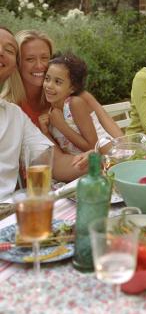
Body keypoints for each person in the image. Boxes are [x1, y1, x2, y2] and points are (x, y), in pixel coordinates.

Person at [0, 27, 86, 200]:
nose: (1, 51)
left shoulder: (14, 116)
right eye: (30, 59)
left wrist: (90, 160)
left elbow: (54, 162)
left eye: (9, 49)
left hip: (9, 214)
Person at [15, 29, 123, 138]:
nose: (39, 66)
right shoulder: (11, 107)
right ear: (17, 63)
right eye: (30, 59)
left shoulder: (73, 94)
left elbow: (117, 136)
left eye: (44, 58)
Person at [39, 52, 112, 154]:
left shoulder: (74, 104)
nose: (49, 85)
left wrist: (62, 126)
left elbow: (93, 148)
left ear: (72, 88)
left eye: (58, 82)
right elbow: (60, 153)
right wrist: (46, 133)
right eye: (47, 79)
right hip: (86, 167)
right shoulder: (51, 115)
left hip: (111, 160)